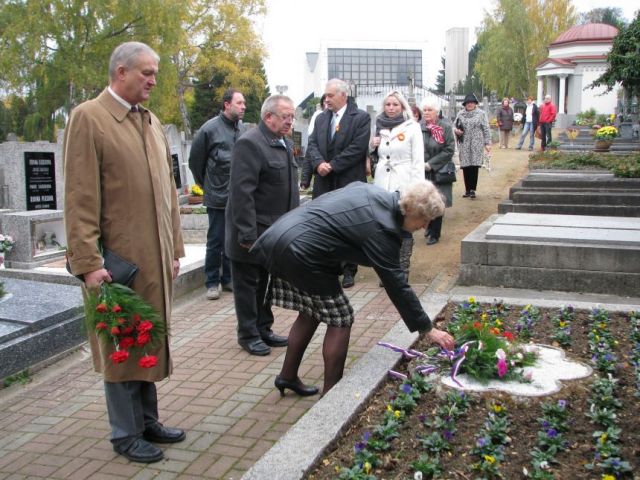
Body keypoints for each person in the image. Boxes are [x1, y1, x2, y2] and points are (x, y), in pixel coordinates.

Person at [63, 42, 185, 464]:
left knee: (147, 336)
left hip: (153, 259)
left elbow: (169, 191)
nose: (153, 80)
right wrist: (88, 265)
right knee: (122, 343)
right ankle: (124, 433)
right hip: (117, 267)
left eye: (155, 72)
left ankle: (147, 421)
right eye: (146, 73)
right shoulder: (89, 119)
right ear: (120, 72)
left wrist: (174, 248)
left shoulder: (150, 122)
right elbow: (79, 199)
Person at [251, 180, 455, 395]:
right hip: (302, 252)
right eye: (424, 220)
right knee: (341, 318)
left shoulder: (372, 193)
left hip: (284, 237)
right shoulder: (381, 229)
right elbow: (397, 285)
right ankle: (331, 397)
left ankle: (287, 376)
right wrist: (427, 328)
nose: (425, 227)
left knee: (310, 312)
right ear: (411, 210)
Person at [225, 95, 299, 356]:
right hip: (251, 232)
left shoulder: (284, 143)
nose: (290, 121)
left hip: (273, 232)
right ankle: (248, 334)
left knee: (264, 284)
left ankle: (263, 328)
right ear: (269, 117)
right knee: (247, 285)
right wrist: (247, 234)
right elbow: (241, 193)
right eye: (285, 116)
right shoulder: (250, 143)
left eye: (292, 116)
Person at [306, 78, 371, 289]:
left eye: (330, 95)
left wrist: (333, 165)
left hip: (348, 180)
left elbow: (357, 148)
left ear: (343, 95)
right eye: (325, 95)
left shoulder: (360, 117)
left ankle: (349, 269)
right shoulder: (321, 119)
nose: (327, 99)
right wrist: (318, 164)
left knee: (348, 225)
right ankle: (329, 266)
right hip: (324, 181)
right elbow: (313, 144)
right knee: (325, 224)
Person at [189, 89, 247, 300]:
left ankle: (229, 278)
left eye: (244, 103)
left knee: (233, 239)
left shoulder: (241, 129)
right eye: (239, 103)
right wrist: (207, 186)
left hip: (238, 196)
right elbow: (196, 161)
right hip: (217, 196)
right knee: (216, 240)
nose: (243, 106)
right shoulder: (209, 129)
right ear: (226, 105)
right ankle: (212, 281)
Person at [370, 90, 423, 281]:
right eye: (388, 104)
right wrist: (372, 145)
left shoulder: (412, 127)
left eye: (395, 105)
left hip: (404, 179)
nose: (391, 108)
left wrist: (417, 189)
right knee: (384, 226)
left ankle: (402, 270)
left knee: (403, 224)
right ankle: (386, 270)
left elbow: (418, 160)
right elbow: (375, 154)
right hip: (383, 181)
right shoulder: (379, 125)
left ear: (402, 107)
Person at [422, 100, 455, 245]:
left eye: (429, 110)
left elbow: (449, 149)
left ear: (436, 112)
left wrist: (431, 164)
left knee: (438, 201)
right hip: (422, 170)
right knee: (424, 201)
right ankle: (428, 225)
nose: (426, 113)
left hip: (439, 170)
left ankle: (435, 234)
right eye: (424, 110)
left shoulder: (445, 127)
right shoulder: (419, 128)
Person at [454, 93, 491, 199]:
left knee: (474, 166)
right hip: (464, 143)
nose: (470, 104)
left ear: (475, 104)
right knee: (465, 166)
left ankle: (472, 189)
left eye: (472, 103)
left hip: (476, 143)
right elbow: (454, 126)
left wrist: (487, 143)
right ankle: (467, 189)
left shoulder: (481, 114)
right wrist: (456, 131)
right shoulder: (460, 114)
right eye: (468, 103)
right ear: (465, 104)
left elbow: (486, 128)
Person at [301, 94, 328, 190]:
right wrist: (305, 180)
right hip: (321, 172)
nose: (328, 103)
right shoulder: (319, 118)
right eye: (325, 101)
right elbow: (311, 148)